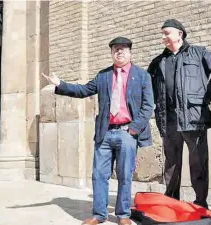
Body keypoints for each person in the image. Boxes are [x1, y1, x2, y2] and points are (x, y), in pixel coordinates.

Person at [42, 37, 154, 225]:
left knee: (125, 175)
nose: (119, 52)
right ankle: (99, 214)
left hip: (127, 133)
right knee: (99, 175)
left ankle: (123, 215)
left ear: (130, 53)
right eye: (116, 49)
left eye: (123, 49)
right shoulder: (103, 76)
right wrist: (60, 84)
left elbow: (147, 105)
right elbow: (83, 90)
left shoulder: (142, 76)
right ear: (111, 53)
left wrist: (134, 129)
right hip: (105, 132)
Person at [147, 19, 211, 209]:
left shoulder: (199, 53)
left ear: (179, 34)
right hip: (169, 120)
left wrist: (205, 97)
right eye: (162, 34)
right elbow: (148, 88)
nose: (163, 37)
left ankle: (200, 203)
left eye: (166, 33)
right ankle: (172, 203)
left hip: (193, 118)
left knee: (198, 162)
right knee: (171, 165)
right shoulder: (157, 62)